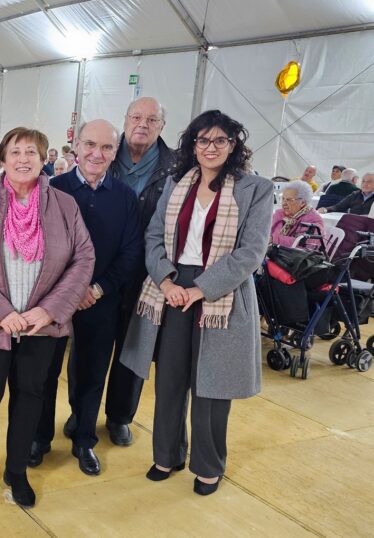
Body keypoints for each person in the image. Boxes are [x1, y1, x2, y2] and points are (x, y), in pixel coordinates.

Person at [120, 110, 272, 496]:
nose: (210, 147)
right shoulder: (176, 183)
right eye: (203, 140)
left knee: (211, 386)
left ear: (233, 145)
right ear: (192, 144)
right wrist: (167, 280)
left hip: (221, 292)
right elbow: (153, 237)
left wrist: (200, 289)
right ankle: (167, 455)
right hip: (172, 288)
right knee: (170, 379)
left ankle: (208, 465)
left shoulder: (255, 188)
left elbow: (251, 252)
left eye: (220, 140)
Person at [0, 127, 94, 507]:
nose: (23, 159)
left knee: (31, 396)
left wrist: (49, 310)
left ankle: (16, 472)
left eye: (32, 151)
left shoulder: (64, 205)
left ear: (45, 158)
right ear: (4, 159)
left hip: (40, 326)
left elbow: (83, 259)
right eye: (16, 152)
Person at [61, 97, 175, 447]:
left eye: (152, 119)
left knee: (133, 347)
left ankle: (120, 416)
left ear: (161, 126)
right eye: (136, 116)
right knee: (87, 350)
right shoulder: (104, 151)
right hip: (96, 269)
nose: (143, 124)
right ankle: (81, 412)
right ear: (125, 120)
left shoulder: (175, 166)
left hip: (144, 272)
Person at [34, 120, 141, 476]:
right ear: (75, 147)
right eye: (90, 145)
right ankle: (39, 438)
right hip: (54, 300)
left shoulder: (125, 197)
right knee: (45, 371)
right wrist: (70, 290)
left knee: (93, 372)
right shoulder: (52, 189)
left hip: (101, 299)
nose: (97, 154)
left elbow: (131, 252)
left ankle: (83, 439)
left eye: (107, 148)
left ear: (115, 153)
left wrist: (96, 289)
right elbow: (40, 246)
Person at [271, 180, 324, 248]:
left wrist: (273, 239)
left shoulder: (313, 220)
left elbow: (304, 244)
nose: (284, 203)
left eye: (289, 200)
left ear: (302, 203)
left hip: (296, 257)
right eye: (283, 199)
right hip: (273, 252)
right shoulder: (279, 214)